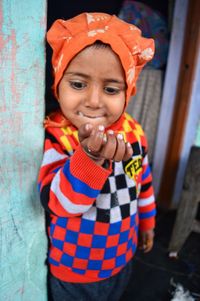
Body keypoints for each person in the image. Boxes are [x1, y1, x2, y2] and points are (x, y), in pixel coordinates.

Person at [38, 12, 156, 301]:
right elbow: (59, 203)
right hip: (75, 273)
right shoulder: (58, 136)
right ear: (58, 84)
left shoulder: (134, 131)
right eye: (78, 84)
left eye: (111, 88)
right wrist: (88, 158)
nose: (93, 101)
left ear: (128, 91)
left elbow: (143, 183)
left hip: (122, 260)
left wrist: (148, 223)